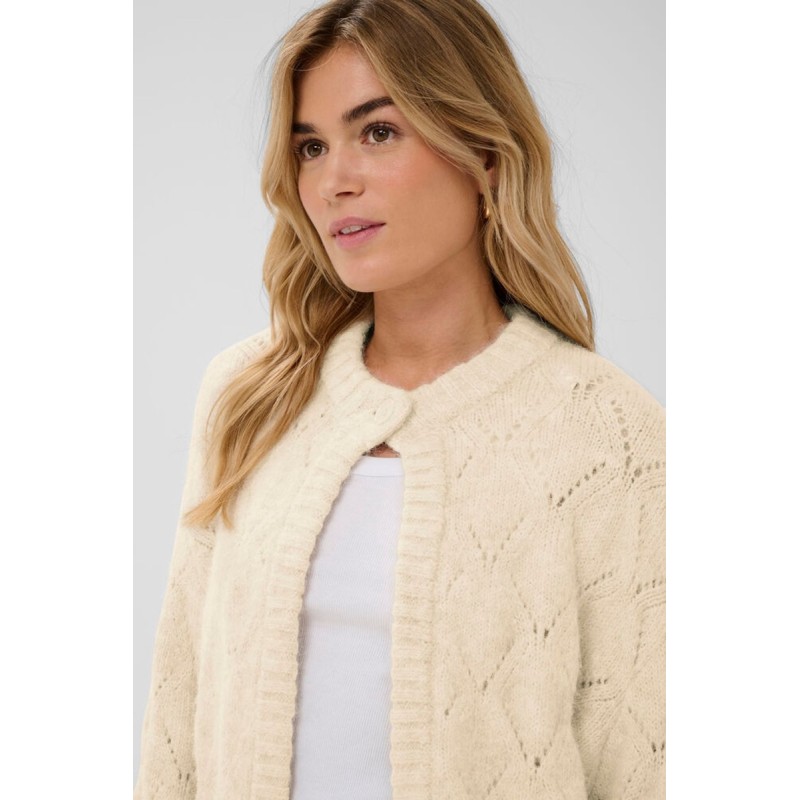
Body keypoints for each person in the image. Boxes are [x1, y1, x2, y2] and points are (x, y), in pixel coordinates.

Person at [134, 0, 665, 798]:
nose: (334, 182)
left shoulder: (610, 438)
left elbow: (645, 759)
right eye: (311, 147)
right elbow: (178, 714)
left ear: (485, 153)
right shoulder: (250, 396)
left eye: (378, 132)